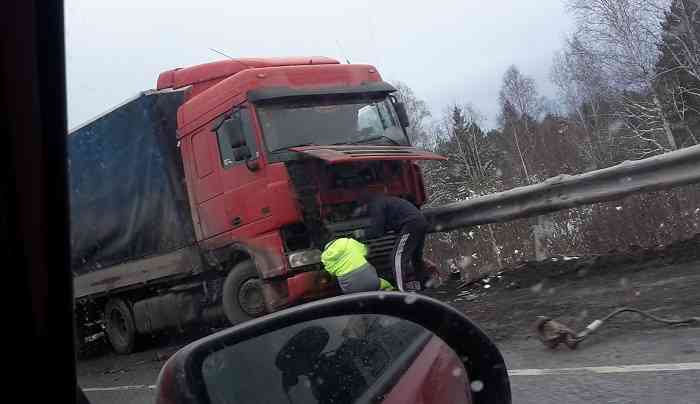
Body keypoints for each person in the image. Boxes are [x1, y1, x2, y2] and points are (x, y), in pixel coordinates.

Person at [364, 193, 430, 292]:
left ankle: (401, 290)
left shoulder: (375, 204)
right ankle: (425, 284)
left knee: (397, 258)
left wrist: (361, 234)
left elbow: (377, 231)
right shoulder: (386, 201)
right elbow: (386, 226)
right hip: (420, 221)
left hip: (411, 224)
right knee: (416, 258)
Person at [321, 237, 394, 294]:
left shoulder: (324, 258)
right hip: (372, 282)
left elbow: (332, 273)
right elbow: (366, 251)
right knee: (387, 286)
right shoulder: (348, 242)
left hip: (350, 289)